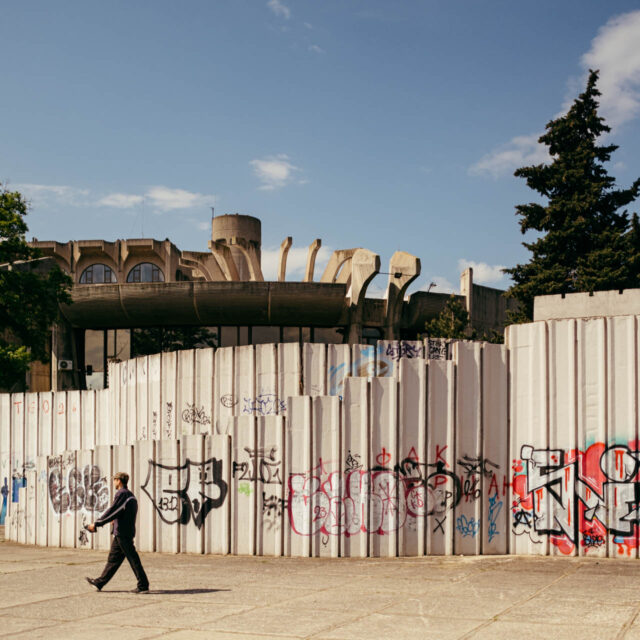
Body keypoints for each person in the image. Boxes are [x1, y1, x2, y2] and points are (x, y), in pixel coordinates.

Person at [85, 471, 150, 593]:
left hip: (123, 533)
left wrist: (97, 523)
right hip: (122, 532)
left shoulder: (122, 494)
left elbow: (113, 510)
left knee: (133, 559)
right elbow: (121, 512)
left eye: (114, 480)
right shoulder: (130, 495)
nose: (113, 482)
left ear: (119, 481)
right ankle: (99, 583)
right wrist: (115, 520)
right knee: (113, 560)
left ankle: (143, 585)